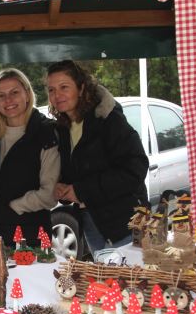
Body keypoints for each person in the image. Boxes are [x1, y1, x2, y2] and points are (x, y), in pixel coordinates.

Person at [46, 60, 149, 255]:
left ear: (81, 88)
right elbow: (79, 171)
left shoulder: (108, 119)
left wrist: (81, 191)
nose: (57, 95)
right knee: (102, 274)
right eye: (51, 90)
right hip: (92, 222)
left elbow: (136, 169)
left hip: (126, 222)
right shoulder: (63, 128)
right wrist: (63, 187)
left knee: (130, 274)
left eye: (64, 87)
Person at [0, 68, 60, 247]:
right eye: (1, 96)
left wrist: (13, 207)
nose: (8, 100)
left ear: (27, 94)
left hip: (29, 236)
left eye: (14, 92)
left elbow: (50, 194)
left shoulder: (46, 132)